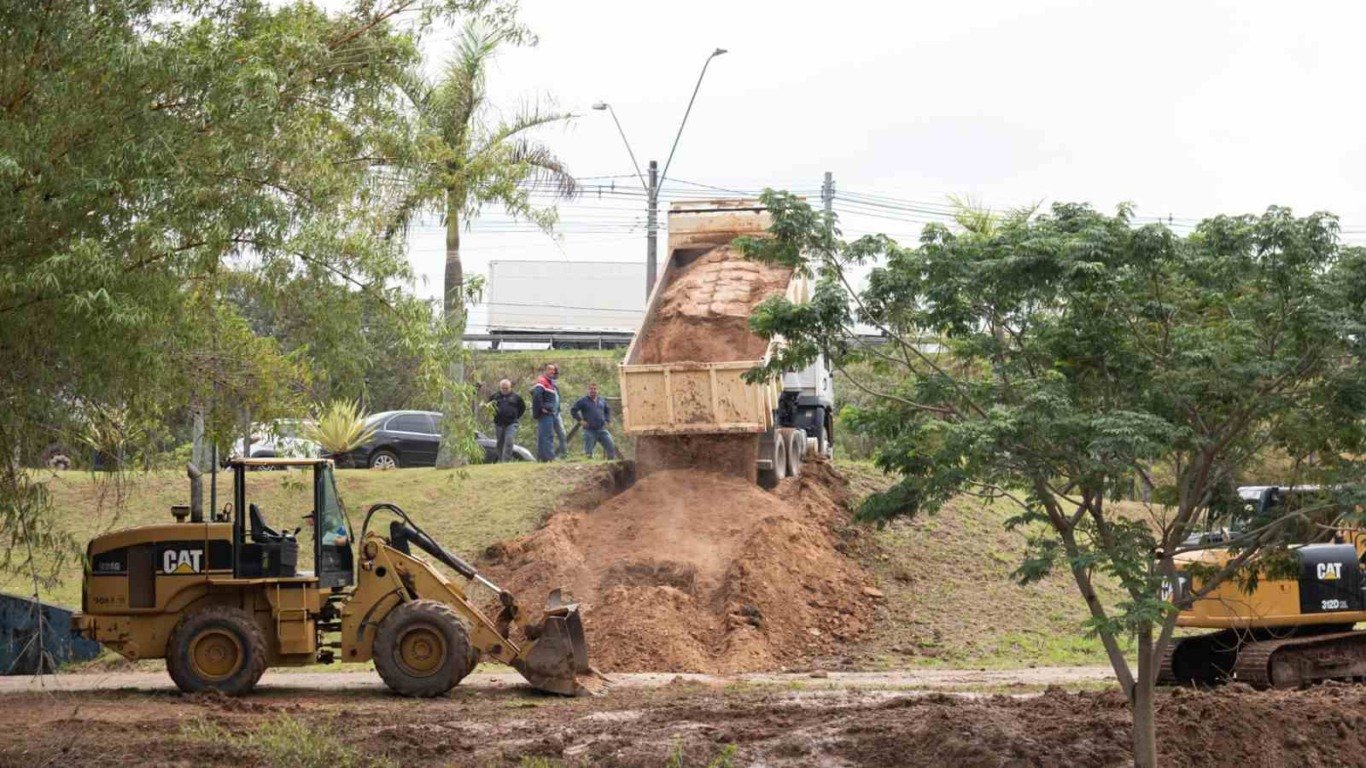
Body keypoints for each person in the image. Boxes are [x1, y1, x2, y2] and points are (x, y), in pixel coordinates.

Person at [570, 382, 617, 459]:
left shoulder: (601, 400)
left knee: (611, 447)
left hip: (602, 429)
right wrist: (580, 421)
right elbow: (573, 410)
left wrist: (607, 420)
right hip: (589, 430)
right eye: (591, 389)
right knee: (588, 453)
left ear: (597, 390)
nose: (593, 390)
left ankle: (610, 464)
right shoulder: (583, 401)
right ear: (588, 390)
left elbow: (607, 410)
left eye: (595, 389)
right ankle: (588, 467)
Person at [487, 379, 526, 462]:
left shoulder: (516, 397)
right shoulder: (495, 396)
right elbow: (489, 407)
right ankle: (501, 460)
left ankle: (506, 461)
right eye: (503, 388)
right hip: (499, 423)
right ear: (500, 388)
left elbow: (522, 408)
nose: (504, 390)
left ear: (510, 387)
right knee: (500, 442)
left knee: (509, 439)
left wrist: (515, 416)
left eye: (506, 388)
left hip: (511, 423)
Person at [530, 363, 561, 462]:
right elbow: (536, 396)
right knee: (548, 436)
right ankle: (550, 458)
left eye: (553, 370)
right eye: (550, 369)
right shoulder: (542, 382)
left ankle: (542, 458)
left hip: (551, 413)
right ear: (545, 371)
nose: (552, 371)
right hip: (546, 414)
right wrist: (541, 408)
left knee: (544, 436)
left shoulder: (550, 383)